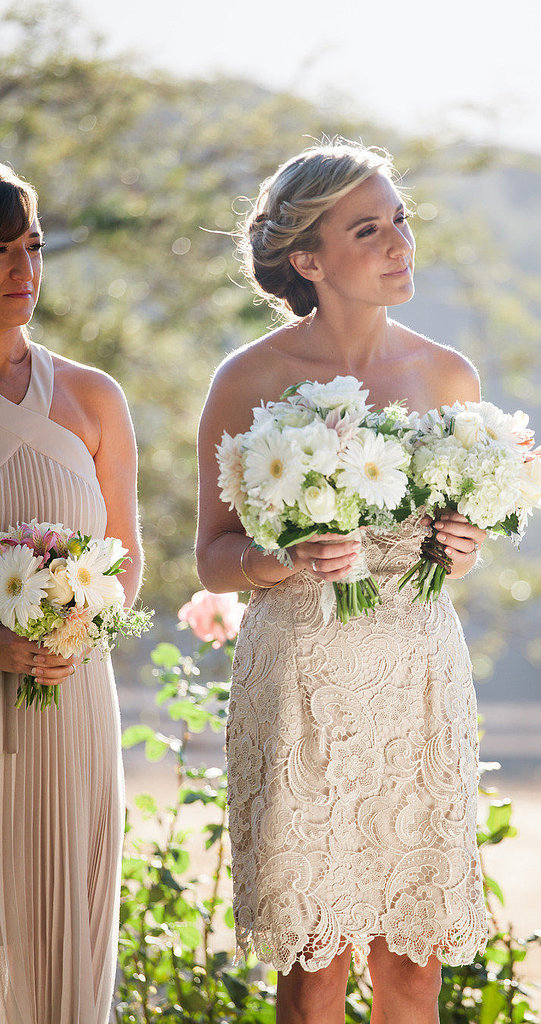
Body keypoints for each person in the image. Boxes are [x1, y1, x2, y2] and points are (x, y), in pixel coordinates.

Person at [196, 140, 488, 1024]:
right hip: (302, 683)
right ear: (308, 259)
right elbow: (212, 554)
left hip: (416, 679)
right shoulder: (249, 379)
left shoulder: (446, 376)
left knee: (415, 961)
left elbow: (460, 542)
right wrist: (278, 560)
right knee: (314, 963)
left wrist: (462, 548)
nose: (400, 243)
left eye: (399, 219)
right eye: (370, 229)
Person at [0, 164, 143, 1024]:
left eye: (32, 246)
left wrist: (84, 627)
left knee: (68, 936)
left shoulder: (94, 397)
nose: (22, 271)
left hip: (71, 696)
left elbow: (125, 558)